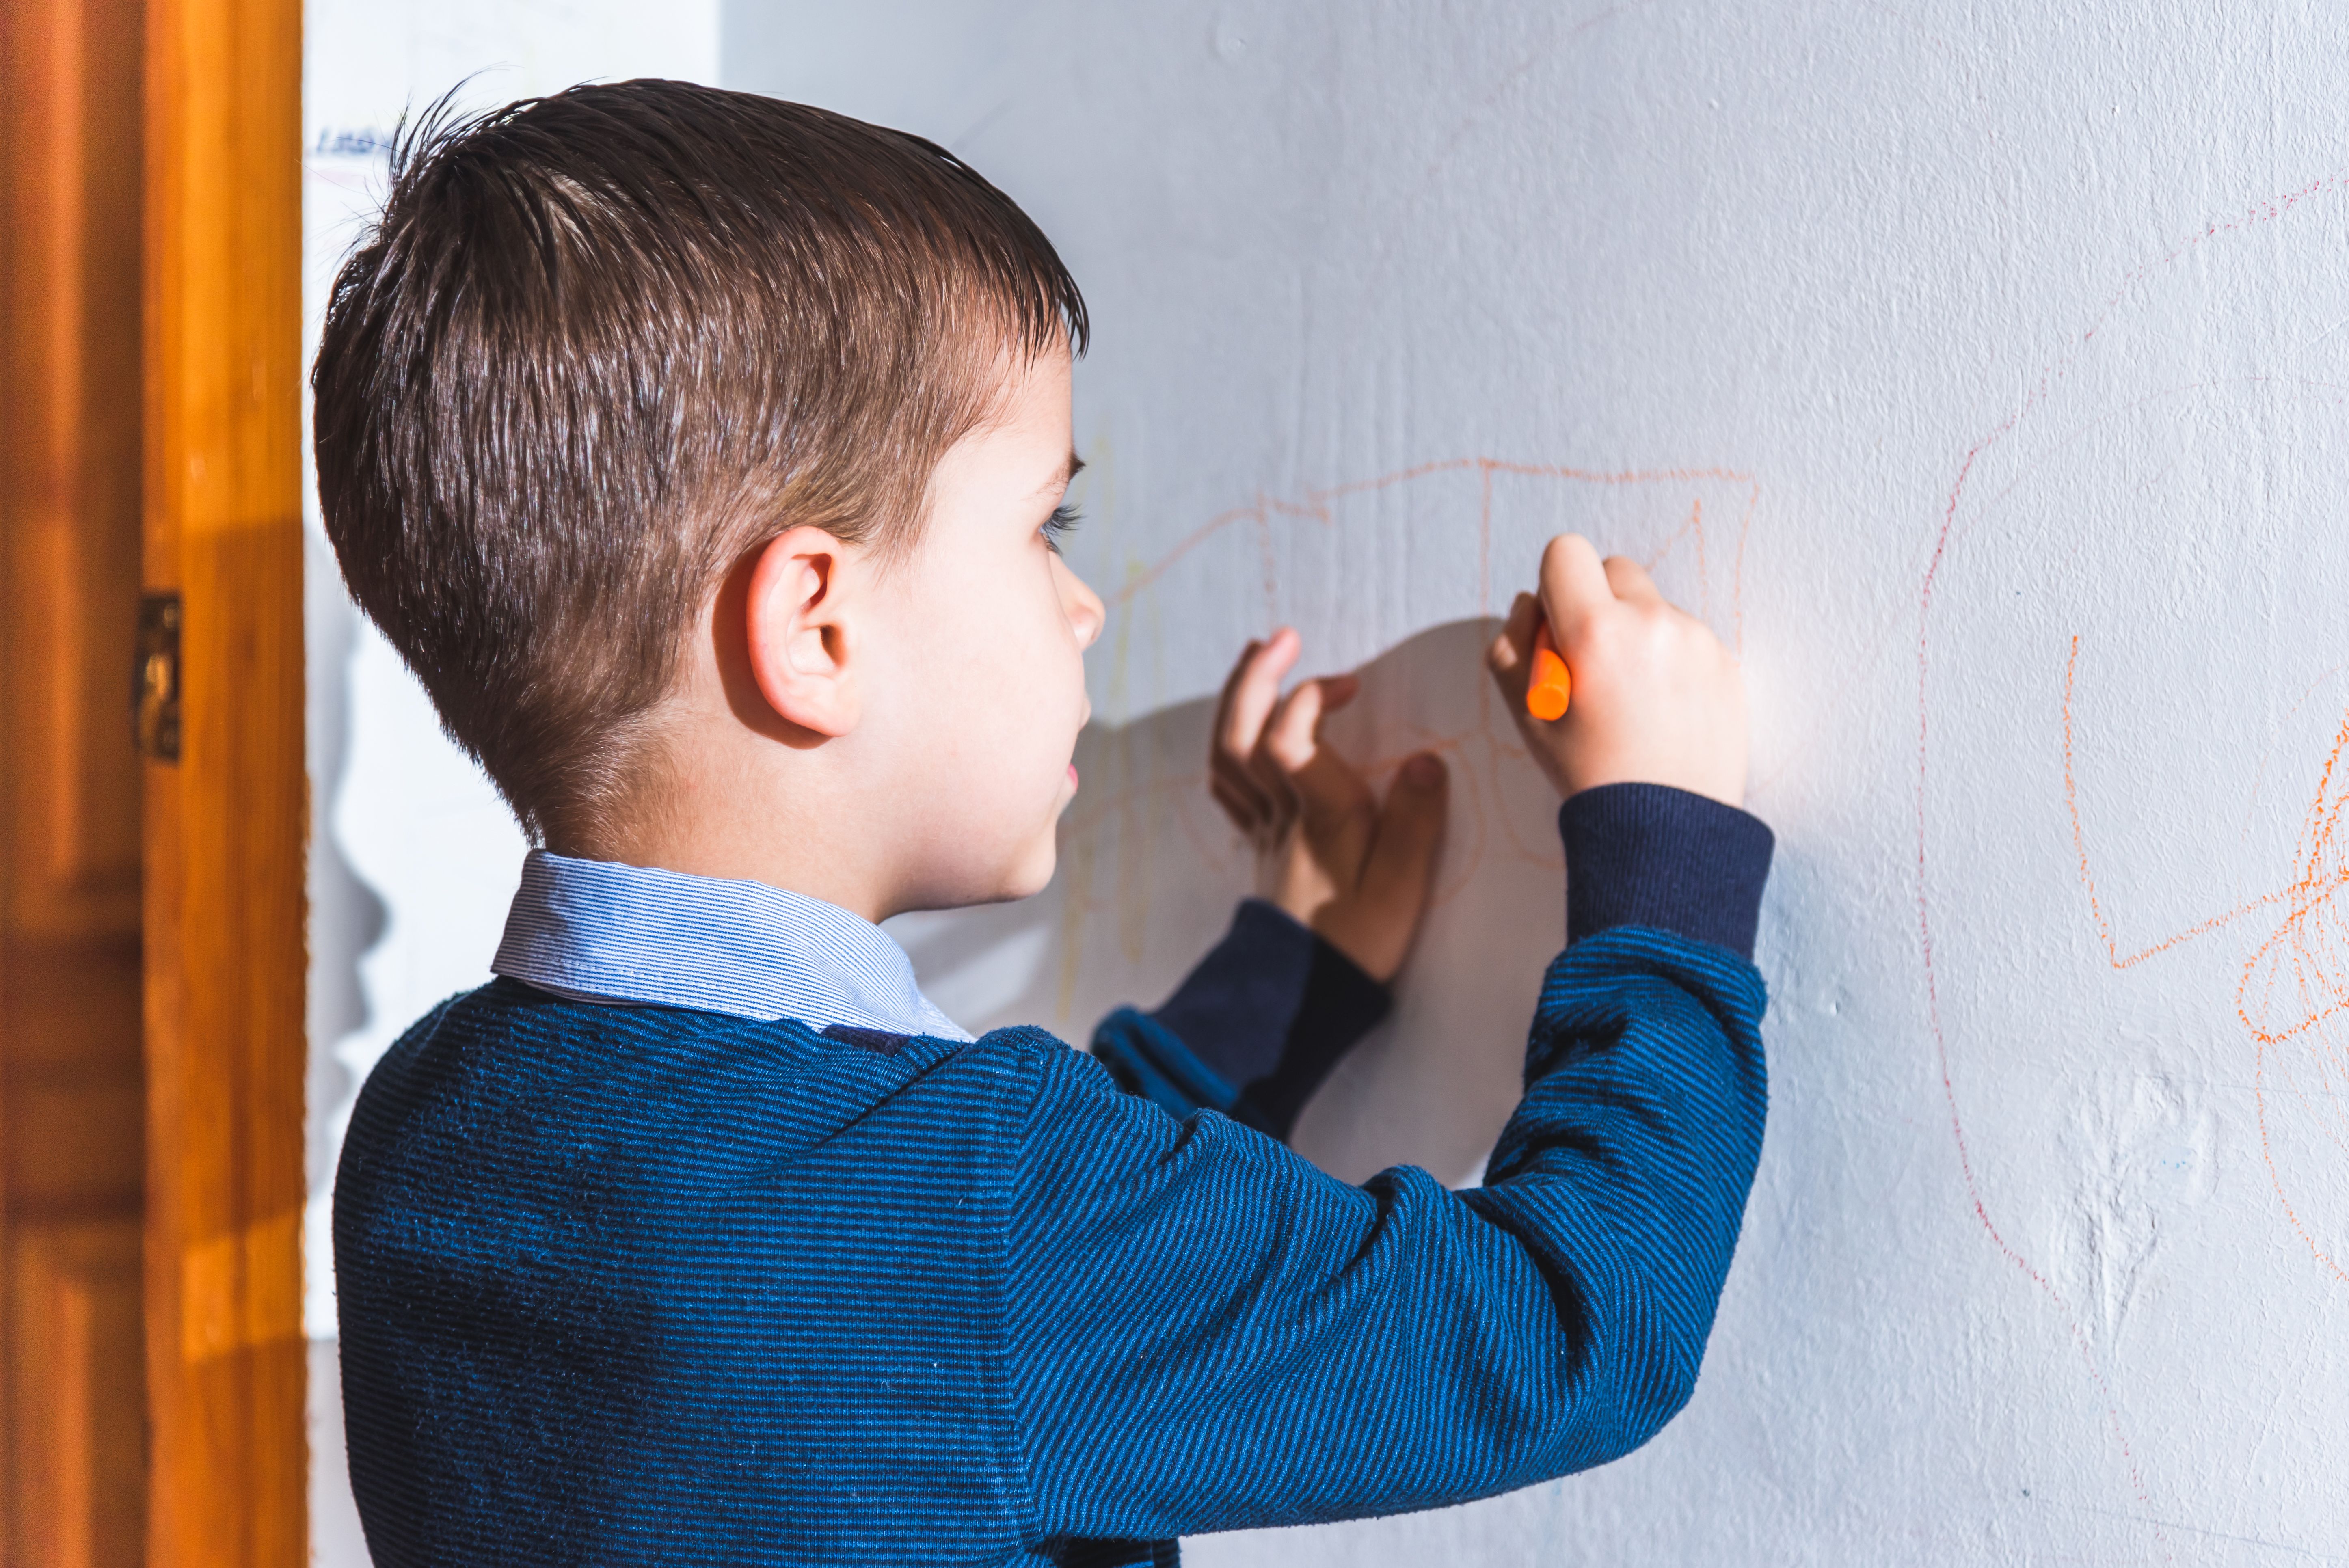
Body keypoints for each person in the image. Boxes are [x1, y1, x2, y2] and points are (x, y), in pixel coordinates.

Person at [314, 79, 1772, 1568]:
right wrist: (1658, 829)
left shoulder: (427, 1128)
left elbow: (972, 1278)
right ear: (815, 627)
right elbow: (1568, 1326)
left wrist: (1291, 971)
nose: (1080, 607)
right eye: (1042, 528)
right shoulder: (988, 1212)